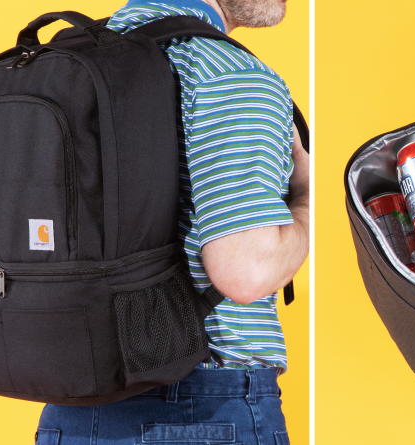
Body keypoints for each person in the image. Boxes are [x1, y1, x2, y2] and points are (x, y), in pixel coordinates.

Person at [36, 1, 309, 444]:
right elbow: (245, 273)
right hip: (201, 408)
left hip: (71, 412)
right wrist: (307, 199)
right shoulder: (227, 72)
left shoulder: (70, 59)